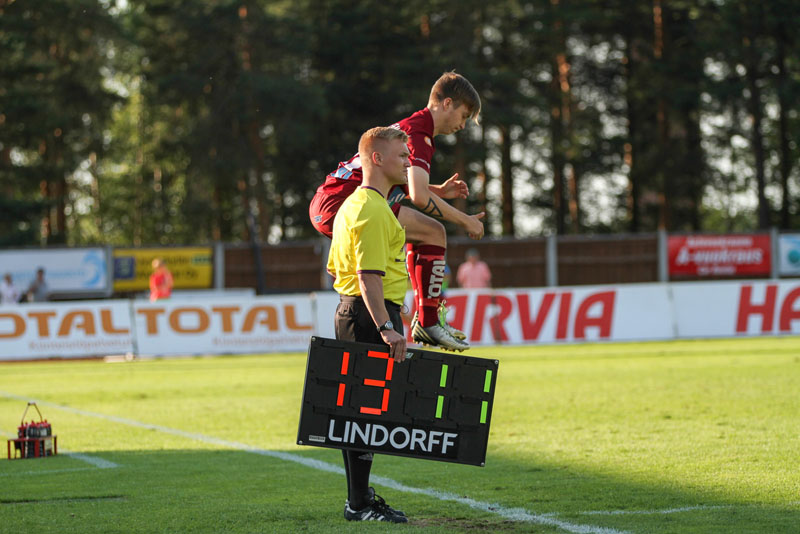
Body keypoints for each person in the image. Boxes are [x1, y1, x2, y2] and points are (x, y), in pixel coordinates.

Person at [310, 71, 483, 352]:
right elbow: (417, 196)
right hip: (339, 202)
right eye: (464, 115)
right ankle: (425, 321)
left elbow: (409, 186)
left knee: (413, 241)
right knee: (432, 232)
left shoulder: (417, 129)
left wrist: (436, 190)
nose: (462, 125)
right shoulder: (419, 135)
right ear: (447, 103)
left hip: (331, 201)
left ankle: (419, 318)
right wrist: (466, 220)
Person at [327, 126, 411, 523]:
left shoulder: (354, 204)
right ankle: (358, 504)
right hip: (367, 315)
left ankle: (357, 501)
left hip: (357, 312)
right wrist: (386, 326)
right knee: (365, 415)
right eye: (402, 153)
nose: (410, 160)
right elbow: (367, 275)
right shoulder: (372, 209)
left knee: (360, 416)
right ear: (376, 159)